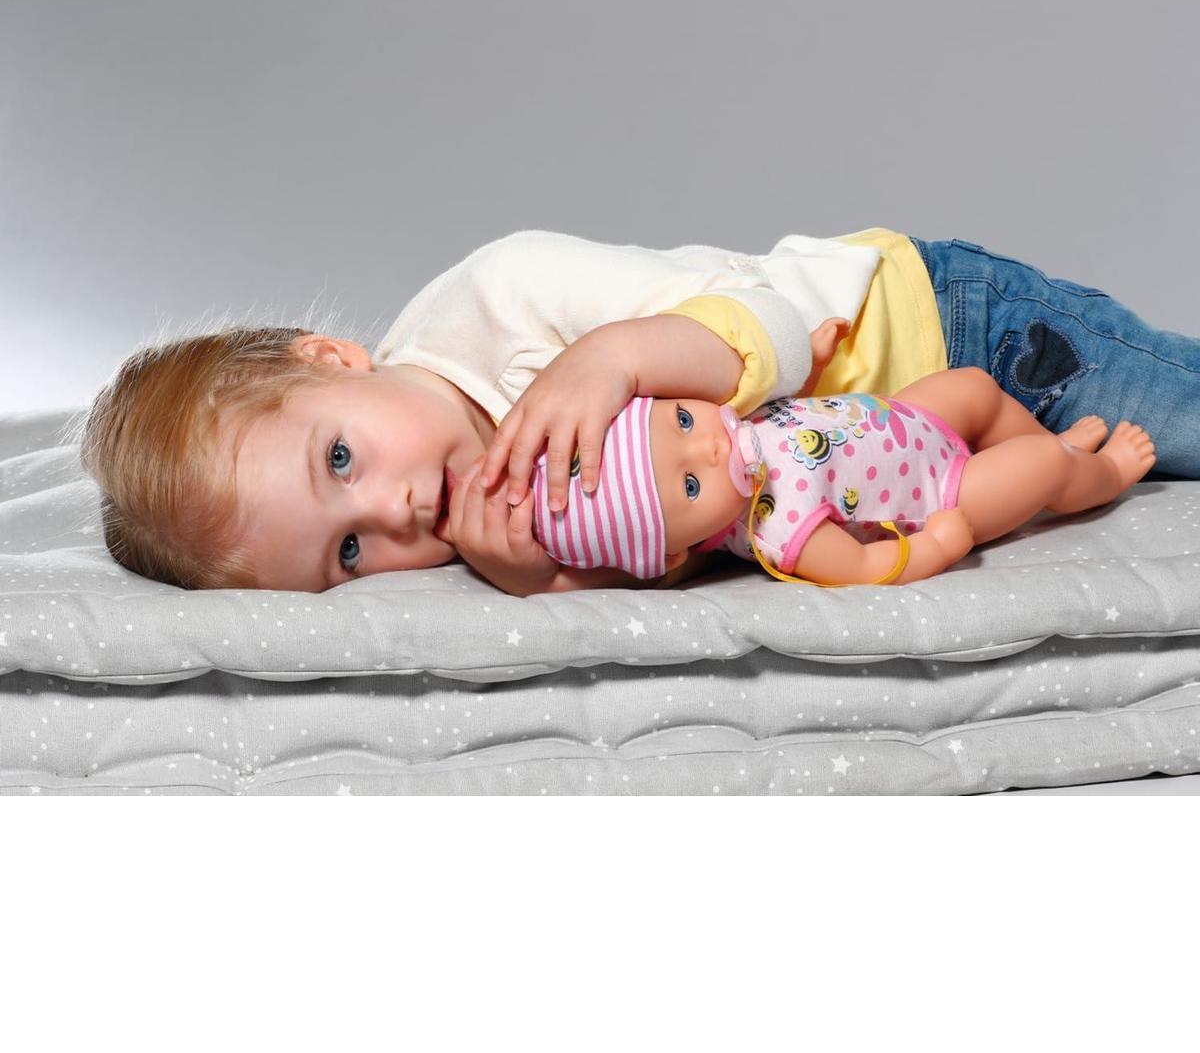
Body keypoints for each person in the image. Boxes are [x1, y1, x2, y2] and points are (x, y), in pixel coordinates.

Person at [75, 227, 1198, 595]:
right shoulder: (494, 533)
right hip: (906, 472)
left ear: (332, 358)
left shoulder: (505, 295)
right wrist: (539, 578)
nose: (398, 507)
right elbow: (674, 548)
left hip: (938, 328)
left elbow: (776, 318)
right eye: (350, 552)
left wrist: (615, 357)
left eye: (339, 459)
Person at [518, 362, 1156, 588]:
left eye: (683, 422)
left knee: (975, 388)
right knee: (1038, 469)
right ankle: (1096, 474)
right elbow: (861, 569)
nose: (709, 447)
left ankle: (1052, 443)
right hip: (941, 494)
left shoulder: (738, 423)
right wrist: (936, 546)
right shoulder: (778, 531)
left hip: (907, 419)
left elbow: (806, 408)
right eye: (690, 485)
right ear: (675, 551)